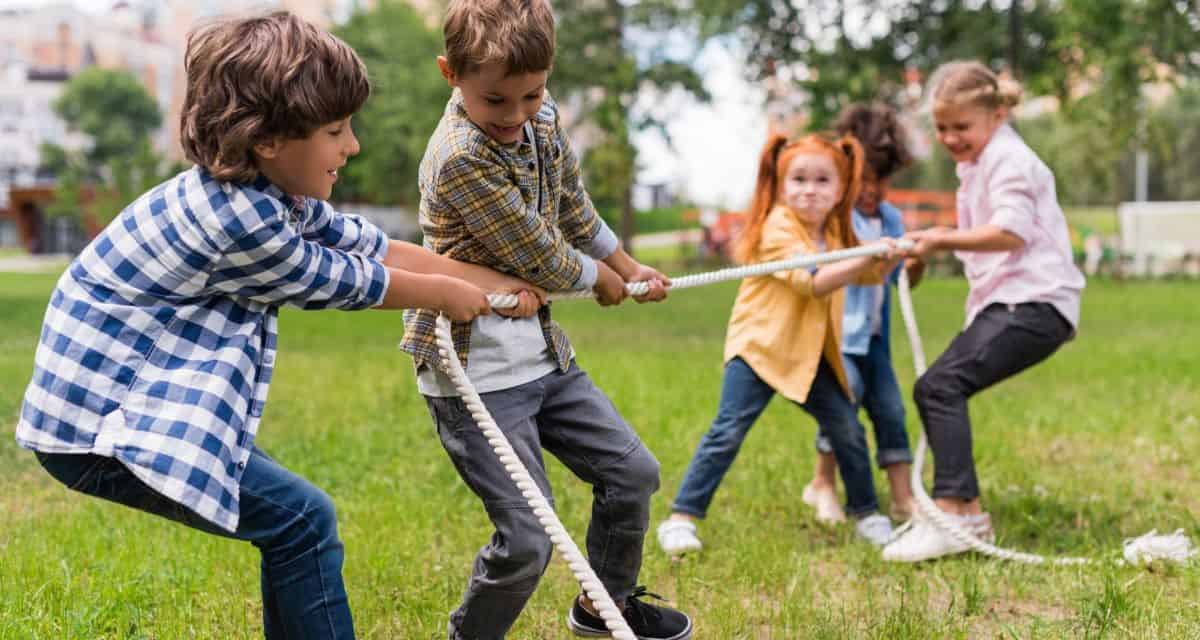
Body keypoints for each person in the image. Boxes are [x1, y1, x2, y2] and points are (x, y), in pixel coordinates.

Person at [15, 12, 543, 639]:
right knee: (301, 520)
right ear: (268, 140)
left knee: (292, 524)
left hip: (146, 407)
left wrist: (494, 281)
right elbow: (341, 280)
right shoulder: (233, 221)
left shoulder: (265, 192)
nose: (352, 147)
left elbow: (370, 248)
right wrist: (447, 294)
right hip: (100, 427)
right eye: (335, 130)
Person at [398, 1, 691, 638]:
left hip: (543, 359)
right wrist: (599, 279)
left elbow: (571, 207)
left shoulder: (544, 118)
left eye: (531, 95)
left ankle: (602, 606)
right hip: (472, 373)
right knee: (528, 541)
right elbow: (537, 248)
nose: (515, 116)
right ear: (452, 74)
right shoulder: (459, 158)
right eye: (496, 100)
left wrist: (627, 263)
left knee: (631, 473)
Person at [655, 132, 903, 558]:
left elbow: (865, 275)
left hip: (808, 353)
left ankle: (867, 513)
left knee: (846, 425)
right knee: (728, 430)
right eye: (799, 179)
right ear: (781, 185)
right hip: (760, 349)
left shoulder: (838, 231)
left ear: (841, 188)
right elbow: (815, 283)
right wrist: (866, 258)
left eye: (822, 180)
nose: (809, 190)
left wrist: (890, 254)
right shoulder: (778, 226)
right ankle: (681, 518)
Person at [882, 61, 1086, 562]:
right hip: (1018, 303)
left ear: (996, 114)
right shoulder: (980, 162)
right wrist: (922, 257)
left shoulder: (1009, 159)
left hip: (1035, 305)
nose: (950, 137)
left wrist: (939, 239)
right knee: (940, 386)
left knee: (940, 386)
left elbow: (1010, 232)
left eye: (961, 127)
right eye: (942, 127)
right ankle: (962, 510)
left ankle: (958, 514)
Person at [802, 103, 924, 525]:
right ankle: (822, 483)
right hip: (838, 338)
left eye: (881, 180)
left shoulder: (890, 218)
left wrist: (913, 263)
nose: (872, 189)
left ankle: (904, 496)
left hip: (873, 339)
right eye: (864, 179)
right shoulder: (835, 219)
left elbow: (895, 280)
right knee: (843, 407)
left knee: (891, 409)